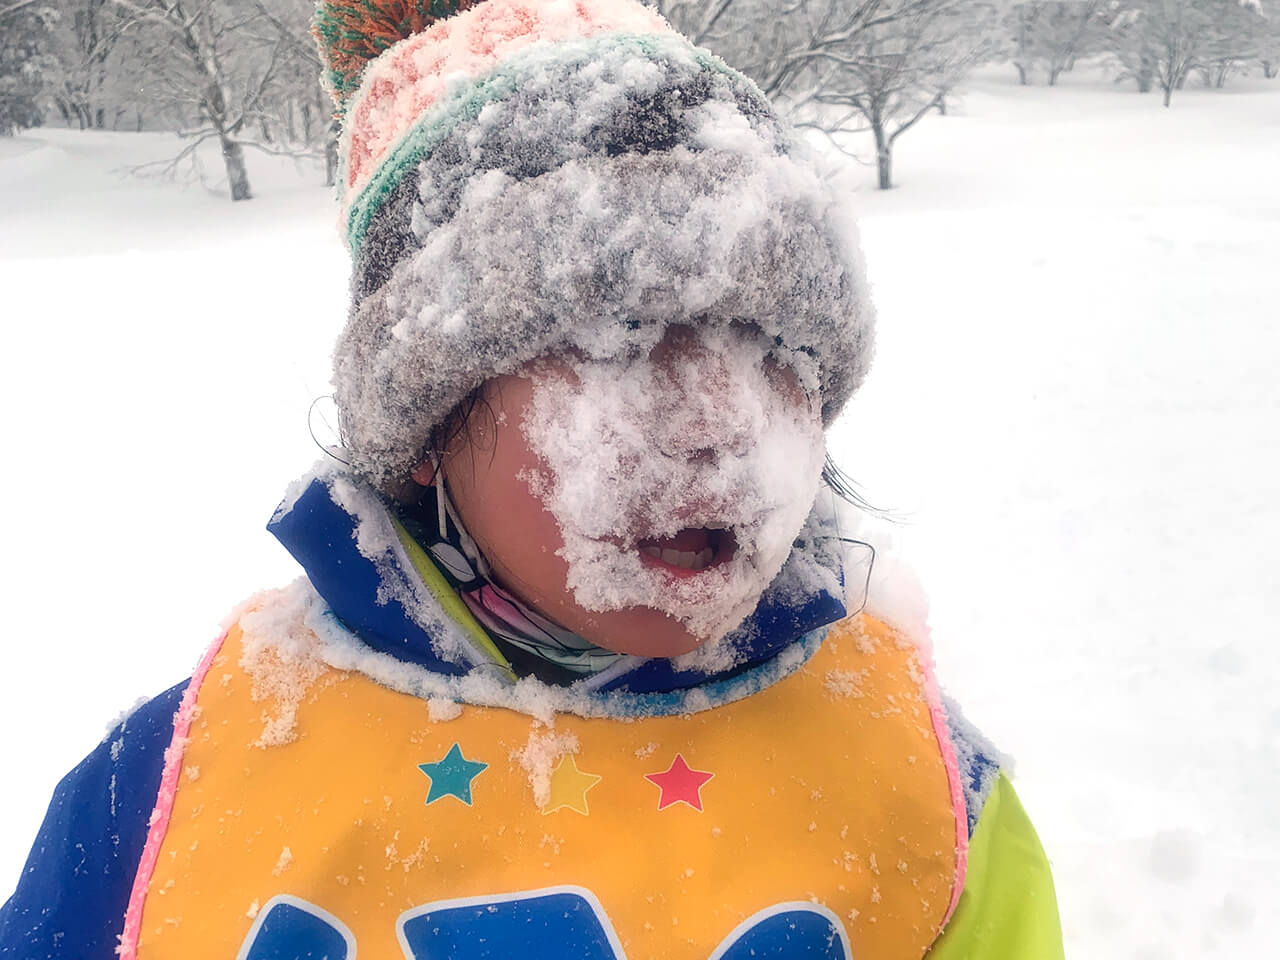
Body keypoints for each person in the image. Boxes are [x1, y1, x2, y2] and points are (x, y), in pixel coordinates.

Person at [0, 1, 1064, 957]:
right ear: (420, 425)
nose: (715, 426)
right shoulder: (182, 784)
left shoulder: (914, 784)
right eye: (618, 338)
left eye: (774, 352)